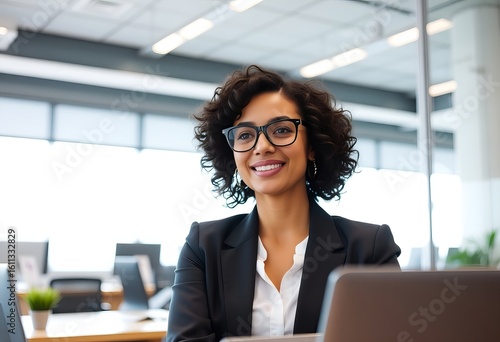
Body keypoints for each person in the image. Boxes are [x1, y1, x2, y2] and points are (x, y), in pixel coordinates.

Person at [166, 65, 401, 342]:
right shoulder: (203, 246)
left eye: (280, 130)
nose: (262, 146)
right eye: (244, 135)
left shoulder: (369, 247)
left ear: (312, 146)